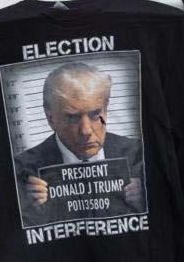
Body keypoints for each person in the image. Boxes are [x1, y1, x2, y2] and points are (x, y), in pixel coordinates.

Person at [14, 62, 146, 226]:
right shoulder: (22, 169)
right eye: (72, 117)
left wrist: (148, 198)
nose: (86, 131)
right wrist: (24, 208)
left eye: (95, 114)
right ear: (51, 119)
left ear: (106, 111)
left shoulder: (139, 155)